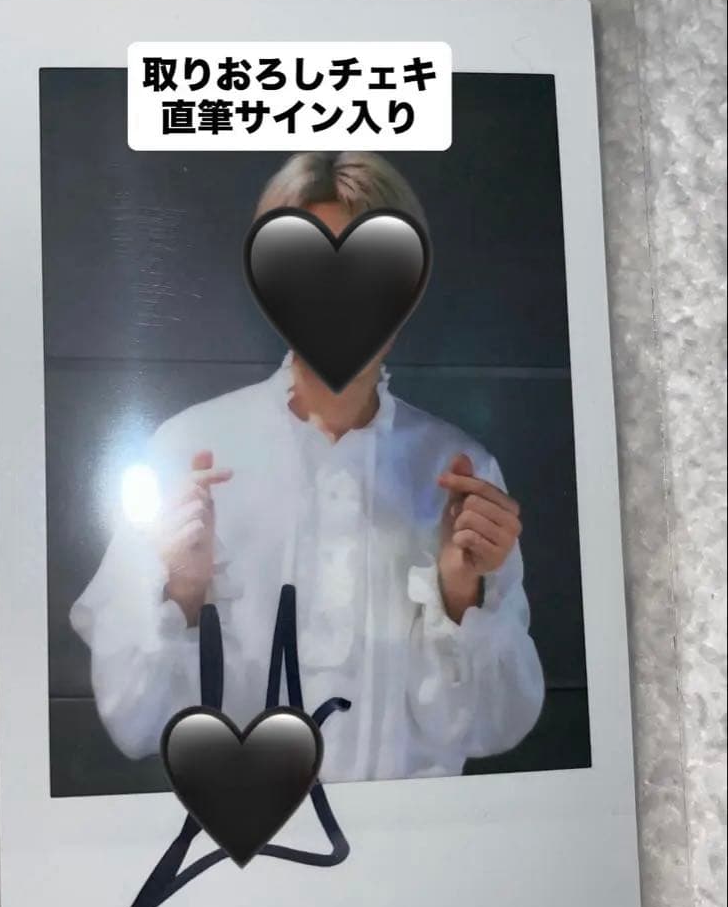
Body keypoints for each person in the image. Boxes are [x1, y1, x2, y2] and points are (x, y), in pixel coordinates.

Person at [70, 151, 545, 784]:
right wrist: (183, 590)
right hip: (235, 833)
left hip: (413, 838)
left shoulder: (458, 471)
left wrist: (461, 594)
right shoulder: (186, 449)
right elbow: (135, 718)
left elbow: (489, 726)